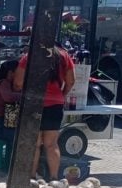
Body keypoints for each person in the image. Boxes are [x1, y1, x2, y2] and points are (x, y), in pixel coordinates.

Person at [13, 43, 76, 180]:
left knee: (34, 144)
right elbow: (71, 81)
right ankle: (54, 178)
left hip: (33, 104)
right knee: (51, 144)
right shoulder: (64, 56)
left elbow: (18, 82)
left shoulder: (28, 57)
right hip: (55, 105)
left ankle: (30, 178)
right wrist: (61, 95)